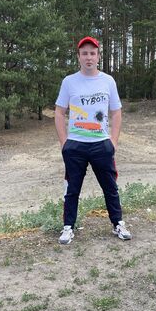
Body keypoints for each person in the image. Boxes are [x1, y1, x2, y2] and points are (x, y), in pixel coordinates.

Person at [55, 36, 132, 245]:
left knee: (110, 188)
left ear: (98, 56)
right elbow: (59, 112)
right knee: (72, 190)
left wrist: (113, 141)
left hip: (101, 145)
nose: (88, 57)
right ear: (78, 57)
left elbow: (116, 112)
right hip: (75, 146)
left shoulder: (108, 81)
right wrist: (64, 143)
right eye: (84, 53)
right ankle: (68, 227)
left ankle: (118, 223)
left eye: (92, 53)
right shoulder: (69, 82)